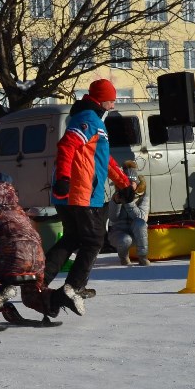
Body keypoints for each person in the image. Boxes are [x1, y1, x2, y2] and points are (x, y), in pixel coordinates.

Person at [43, 78, 132, 297]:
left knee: (72, 237)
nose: (113, 106)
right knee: (93, 240)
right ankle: (73, 287)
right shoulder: (88, 118)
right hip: (80, 192)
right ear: (101, 100)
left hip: (73, 192)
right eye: (111, 101)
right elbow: (66, 146)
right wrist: (64, 178)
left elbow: (104, 158)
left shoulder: (90, 119)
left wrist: (124, 184)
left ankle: (38, 282)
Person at [0, 173, 84, 317]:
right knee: (31, 297)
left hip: (12, 259)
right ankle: (61, 297)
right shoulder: (20, 212)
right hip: (37, 260)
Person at [106, 161, 149, 266]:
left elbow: (142, 217)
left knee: (140, 223)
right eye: (126, 183)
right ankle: (123, 257)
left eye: (131, 183)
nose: (128, 186)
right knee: (125, 240)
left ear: (137, 182)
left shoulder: (143, 196)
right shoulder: (117, 194)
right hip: (118, 234)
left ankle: (143, 257)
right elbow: (113, 218)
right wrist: (116, 202)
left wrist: (129, 203)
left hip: (136, 233)